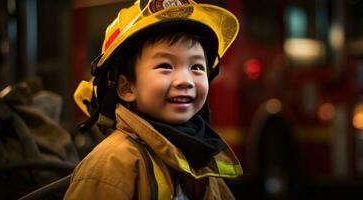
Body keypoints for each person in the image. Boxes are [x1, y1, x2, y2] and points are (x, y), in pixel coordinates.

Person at [64, 0, 242, 199]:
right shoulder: (112, 164)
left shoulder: (199, 157)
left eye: (197, 67)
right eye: (165, 65)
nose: (186, 81)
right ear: (126, 87)